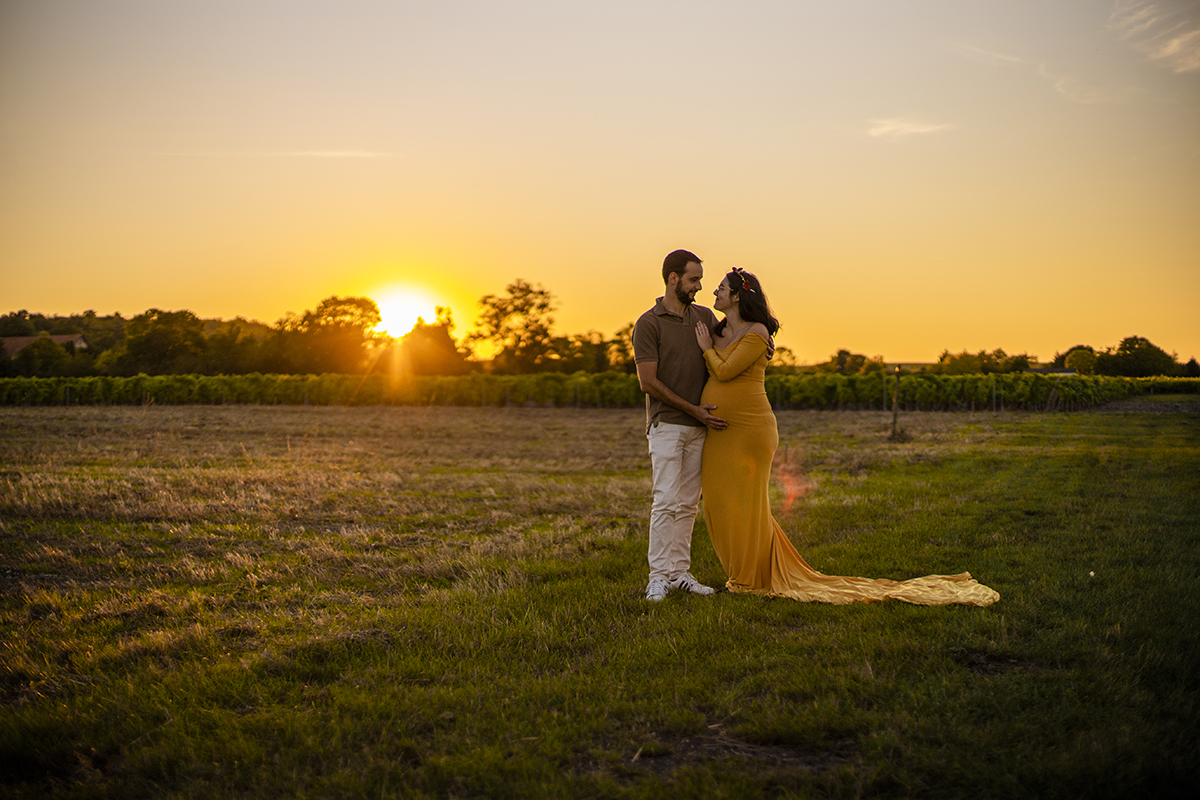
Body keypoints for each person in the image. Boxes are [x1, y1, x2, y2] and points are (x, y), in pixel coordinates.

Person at [695, 267, 999, 606]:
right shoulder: (717, 330)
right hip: (720, 433)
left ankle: (747, 578)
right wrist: (710, 347)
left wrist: (707, 349)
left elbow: (724, 370)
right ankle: (745, 570)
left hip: (750, 430)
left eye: (721, 288)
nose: (715, 293)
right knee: (720, 502)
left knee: (750, 504)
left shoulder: (756, 332)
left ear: (738, 295)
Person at [632, 250, 727, 602]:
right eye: (693, 279)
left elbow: (731, 342)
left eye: (700, 280)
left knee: (688, 503)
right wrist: (693, 410)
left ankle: (679, 573)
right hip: (668, 426)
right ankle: (657, 576)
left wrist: (763, 336)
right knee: (666, 500)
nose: (699, 287)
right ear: (673, 278)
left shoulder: (703, 316)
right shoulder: (649, 323)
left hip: (700, 427)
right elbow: (648, 382)